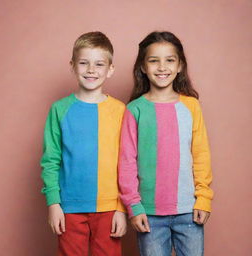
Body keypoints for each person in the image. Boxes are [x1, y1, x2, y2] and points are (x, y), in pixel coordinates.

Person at [118, 31, 213, 256]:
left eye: (170, 60)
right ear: (142, 67)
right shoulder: (134, 110)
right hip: (149, 214)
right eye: (154, 60)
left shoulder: (191, 107)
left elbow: (201, 155)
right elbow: (127, 162)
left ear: (180, 65)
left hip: (189, 212)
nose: (162, 67)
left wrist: (204, 199)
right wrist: (134, 206)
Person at [41, 31, 127, 256]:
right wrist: (53, 203)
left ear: (110, 69)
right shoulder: (59, 109)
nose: (91, 70)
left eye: (99, 64)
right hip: (69, 207)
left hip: (109, 206)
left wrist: (122, 208)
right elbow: (51, 159)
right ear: (72, 65)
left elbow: (127, 162)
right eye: (83, 63)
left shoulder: (120, 111)